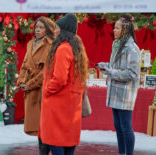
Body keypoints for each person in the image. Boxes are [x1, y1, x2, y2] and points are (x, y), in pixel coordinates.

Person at [40, 14, 89, 155]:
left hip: (58, 105)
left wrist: (48, 91)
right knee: (68, 145)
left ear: (63, 31)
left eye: (57, 28)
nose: (54, 31)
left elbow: (60, 78)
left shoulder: (62, 49)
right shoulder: (77, 47)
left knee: (55, 143)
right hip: (71, 104)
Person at [97, 14, 140, 155]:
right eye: (114, 28)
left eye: (117, 28)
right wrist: (105, 66)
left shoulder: (132, 48)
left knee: (126, 127)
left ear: (126, 30)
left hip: (125, 93)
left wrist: (112, 73)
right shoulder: (117, 45)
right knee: (118, 126)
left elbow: (132, 73)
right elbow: (115, 66)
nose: (114, 30)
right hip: (115, 92)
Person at [17, 16, 56, 155]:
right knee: (38, 127)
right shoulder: (31, 43)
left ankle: (45, 152)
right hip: (29, 87)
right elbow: (24, 64)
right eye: (36, 27)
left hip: (41, 89)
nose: (37, 30)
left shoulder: (50, 44)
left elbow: (46, 70)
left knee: (43, 126)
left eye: (41, 27)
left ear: (48, 29)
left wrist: (30, 84)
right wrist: (21, 81)